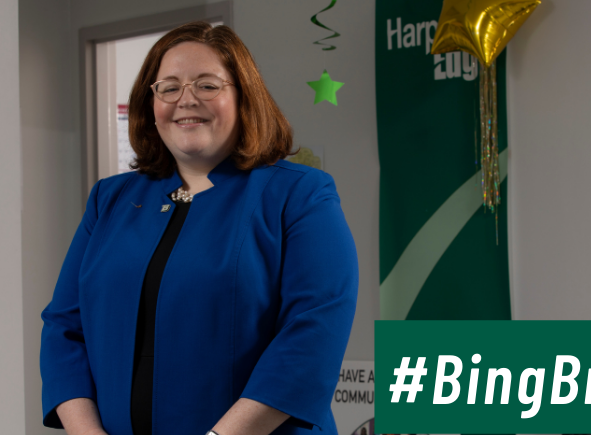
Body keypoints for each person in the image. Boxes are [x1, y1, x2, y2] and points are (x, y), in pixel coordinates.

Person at [40, 22, 358, 435]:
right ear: (150, 104)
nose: (186, 100)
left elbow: (313, 334)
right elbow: (64, 329)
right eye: (169, 88)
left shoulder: (299, 194)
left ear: (244, 97)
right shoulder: (109, 199)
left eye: (207, 85)